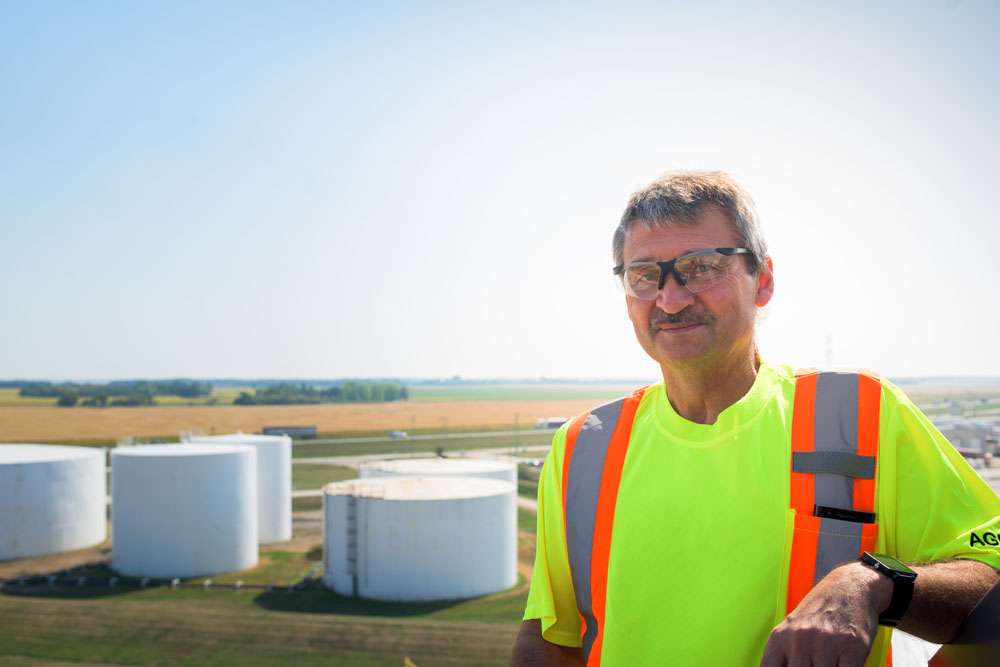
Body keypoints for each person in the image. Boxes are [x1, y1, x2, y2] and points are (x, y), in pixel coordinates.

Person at [511, 171, 1000, 666]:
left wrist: (873, 583)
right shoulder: (582, 448)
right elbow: (550, 641)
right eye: (644, 274)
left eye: (700, 268)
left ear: (762, 281)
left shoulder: (861, 414)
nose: (670, 297)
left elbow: (990, 574)